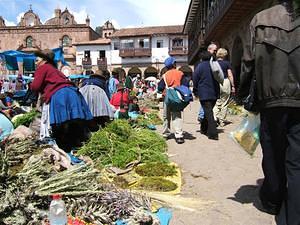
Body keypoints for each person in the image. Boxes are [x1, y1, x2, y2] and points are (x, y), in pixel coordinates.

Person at [240, 1, 300, 224]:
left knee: (273, 155)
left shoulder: (261, 19)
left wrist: (245, 96)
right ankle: (293, 215)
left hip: (271, 102)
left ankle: (273, 200)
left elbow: (248, 63)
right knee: (297, 161)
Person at [31, 49, 93, 152]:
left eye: (37, 60)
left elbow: (35, 86)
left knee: (60, 125)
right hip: (73, 93)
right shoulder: (54, 70)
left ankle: (65, 149)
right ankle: (77, 146)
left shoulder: (43, 68)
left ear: (44, 60)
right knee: (73, 123)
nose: (36, 62)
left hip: (61, 95)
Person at [158, 56, 186, 144]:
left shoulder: (165, 75)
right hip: (177, 96)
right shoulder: (180, 73)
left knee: (166, 116)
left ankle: (166, 133)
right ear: (174, 64)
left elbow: (160, 87)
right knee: (177, 115)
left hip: (167, 96)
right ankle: (179, 135)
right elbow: (185, 85)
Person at [193, 51, 220, 140]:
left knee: (209, 112)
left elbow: (195, 79)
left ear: (201, 58)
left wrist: (195, 91)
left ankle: (213, 133)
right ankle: (204, 128)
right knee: (208, 111)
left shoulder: (199, 67)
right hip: (215, 92)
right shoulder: (214, 65)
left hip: (204, 93)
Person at [213, 48, 235, 126]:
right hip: (225, 81)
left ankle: (215, 118)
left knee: (216, 102)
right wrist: (233, 86)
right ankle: (222, 121)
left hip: (216, 82)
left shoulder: (213, 63)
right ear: (225, 55)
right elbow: (230, 75)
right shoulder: (227, 63)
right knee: (224, 102)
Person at [197, 43, 218, 123]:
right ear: (209, 50)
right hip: (207, 88)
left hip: (210, 88)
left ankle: (203, 119)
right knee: (207, 106)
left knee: (207, 106)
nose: (215, 52)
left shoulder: (213, 60)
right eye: (214, 50)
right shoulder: (206, 62)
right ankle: (203, 117)